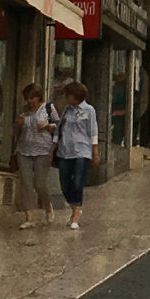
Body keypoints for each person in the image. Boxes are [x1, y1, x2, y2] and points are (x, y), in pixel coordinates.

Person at [12, 81, 58, 226]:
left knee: (39, 183)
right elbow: (14, 131)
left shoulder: (48, 108)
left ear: (38, 97)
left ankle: (48, 206)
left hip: (43, 150)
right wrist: (19, 124)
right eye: (27, 98)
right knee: (25, 184)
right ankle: (29, 218)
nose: (30, 101)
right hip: (23, 150)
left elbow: (58, 126)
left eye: (32, 98)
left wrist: (47, 125)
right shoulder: (23, 110)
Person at [55, 82, 100, 227]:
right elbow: (59, 128)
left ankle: (76, 215)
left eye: (68, 95)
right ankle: (74, 207)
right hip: (65, 150)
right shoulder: (67, 110)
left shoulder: (89, 110)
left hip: (82, 150)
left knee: (78, 182)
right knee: (64, 183)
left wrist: (95, 151)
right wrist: (53, 147)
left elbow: (93, 131)